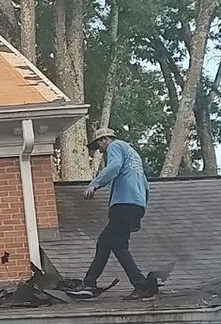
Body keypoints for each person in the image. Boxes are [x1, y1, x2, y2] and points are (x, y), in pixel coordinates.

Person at [66, 126, 158, 300]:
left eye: (99, 145)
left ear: (105, 139)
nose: (100, 150)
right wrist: (140, 210)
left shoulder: (115, 146)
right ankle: (89, 283)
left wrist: (94, 184)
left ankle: (141, 285)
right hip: (135, 204)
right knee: (104, 242)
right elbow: (145, 186)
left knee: (119, 245)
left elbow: (114, 166)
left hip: (122, 204)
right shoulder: (133, 155)